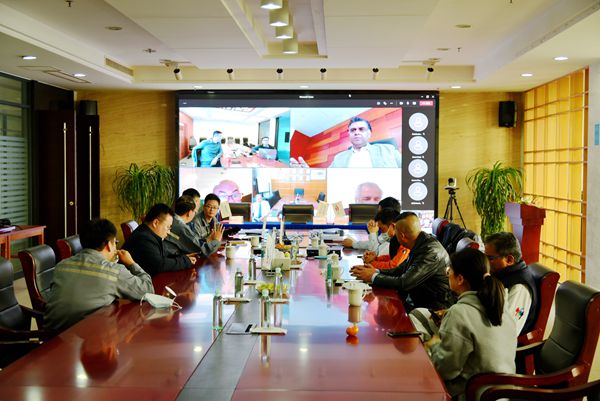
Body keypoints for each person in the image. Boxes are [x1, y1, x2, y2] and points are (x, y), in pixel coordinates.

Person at [424, 248, 516, 400]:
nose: (447, 274)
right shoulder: (501, 308)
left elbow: (445, 370)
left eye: (449, 271)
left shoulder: (459, 313)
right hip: (502, 394)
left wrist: (432, 346)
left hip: (472, 395)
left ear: (460, 279)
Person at [44, 218, 154, 331]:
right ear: (109, 245)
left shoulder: (61, 265)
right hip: (87, 336)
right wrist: (131, 263)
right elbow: (147, 290)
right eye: (115, 243)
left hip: (51, 336)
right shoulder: (114, 271)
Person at [351, 212, 454, 310]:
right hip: (418, 300)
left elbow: (404, 283)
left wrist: (373, 277)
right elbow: (400, 269)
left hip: (434, 309)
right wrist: (376, 271)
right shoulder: (419, 242)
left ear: (402, 236)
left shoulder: (430, 252)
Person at [289, 117, 401, 168]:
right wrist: (308, 172)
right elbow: (329, 177)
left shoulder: (389, 149)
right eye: (353, 130)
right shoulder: (339, 158)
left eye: (361, 129)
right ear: (349, 135)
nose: (356, 132)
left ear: (369, 133)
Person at [484, 232, 538, 336]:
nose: (485, 262)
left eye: (490, 258)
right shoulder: (500, 275)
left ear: (509, 260)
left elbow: (509, 331)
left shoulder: (520, 288)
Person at [122, 203, 197, 276]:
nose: (168, 232)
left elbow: (162, 254)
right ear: (155, 223)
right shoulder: (143, 238)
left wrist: (183, 257)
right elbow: (159, 265)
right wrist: (185, 261)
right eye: (168, 227)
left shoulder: (147, 233)